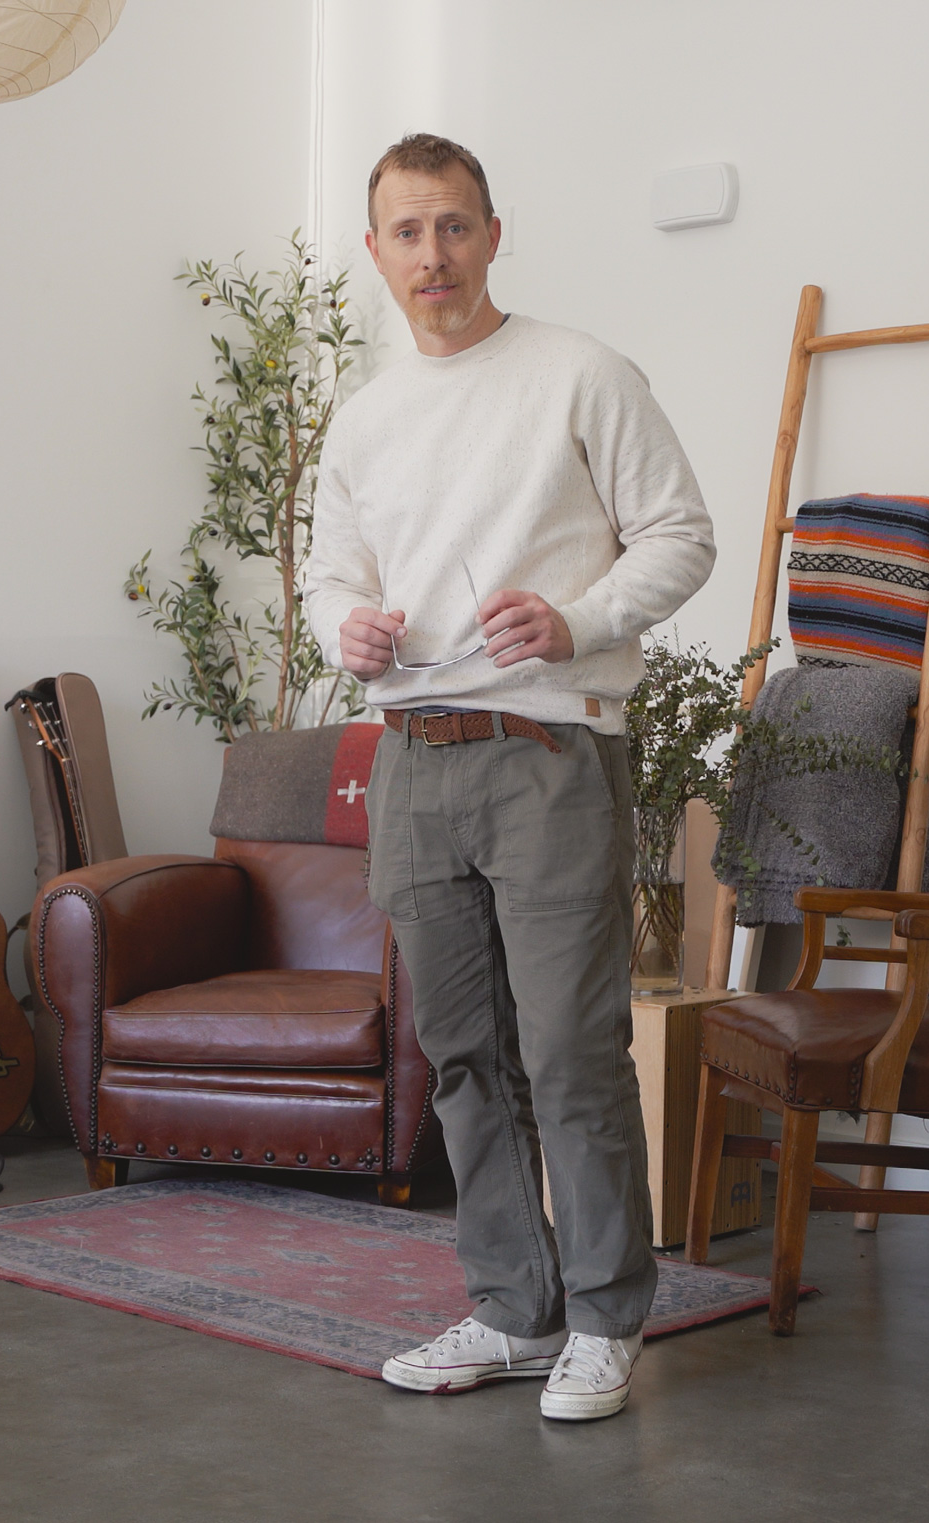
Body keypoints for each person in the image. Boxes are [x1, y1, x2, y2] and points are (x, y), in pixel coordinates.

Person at [303, 133, 715, 1422]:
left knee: (573, 1048)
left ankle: (603, 1319)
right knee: (466, 1053)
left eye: (456, 228)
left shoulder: (581, 373)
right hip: (411, 763)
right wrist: (344, 631)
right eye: (408, 233)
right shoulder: (364, 419)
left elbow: (681, 535)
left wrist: (578, 620)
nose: (434, 256)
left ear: (494, 233)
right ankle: (508, 1308)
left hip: (547, 752)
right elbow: (331, 579)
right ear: (376, 250)